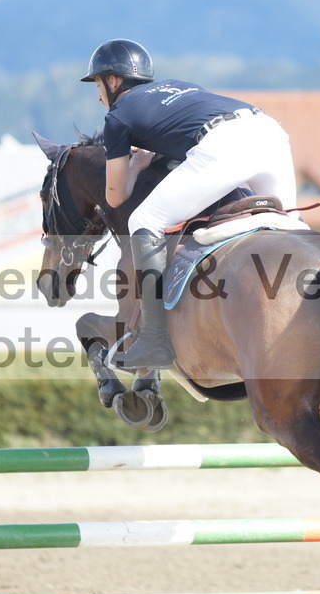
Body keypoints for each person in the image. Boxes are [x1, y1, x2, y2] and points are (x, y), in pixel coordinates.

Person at [81, 39, 298, 370]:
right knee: (292, 227)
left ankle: (153, 340)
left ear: (112, 81)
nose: (98, 95)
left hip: (225, 144)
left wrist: (137, 165)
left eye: (97, 84)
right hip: (268, 131)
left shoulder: (118, 117)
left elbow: (114, 197)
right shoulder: (179, 87)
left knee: (144, 221)